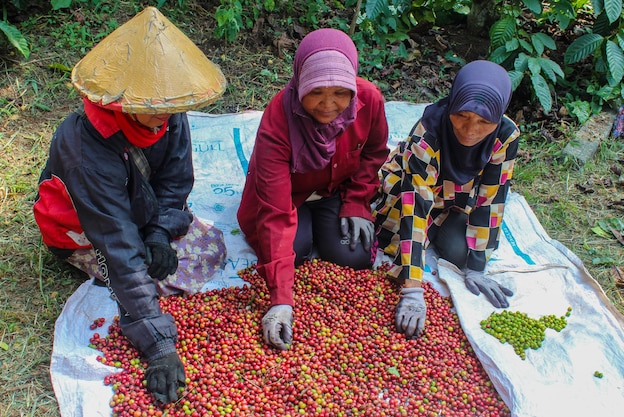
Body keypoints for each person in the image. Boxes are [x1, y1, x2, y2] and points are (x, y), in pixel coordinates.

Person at [33, 7, 228, 404]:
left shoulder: (169, 112)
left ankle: (144, 265)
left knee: (210, 249)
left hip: (138, 211)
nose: (161, 118)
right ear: (121, 100)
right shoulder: (86, 147)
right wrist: (158, 344)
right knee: (142, 271)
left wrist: (158, 234)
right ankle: (135, 297)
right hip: (85, 229)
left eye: (167, 110)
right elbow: (116, 241)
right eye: (151, 108)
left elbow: (175, 181)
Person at [237, 28, 389, 351]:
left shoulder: (370, 100)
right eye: (316, 91)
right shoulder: (278, 121)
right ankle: (305, 235)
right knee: (295, 250)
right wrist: (280, 301)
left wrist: (358, 202)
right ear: (299, 83)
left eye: (340, 92)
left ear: (353, 86)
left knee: (356, 255)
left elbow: (374, 153)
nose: (328, 104)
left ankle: (326, 224)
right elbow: (275, 211)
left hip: (335, 189)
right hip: (288, 196)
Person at [373, 60, 520, 340]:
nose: (470, 130)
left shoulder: (505, 136)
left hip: (457, 196)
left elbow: (492, 195)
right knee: (392, 239)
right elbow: (415, 202)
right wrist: (413, 288)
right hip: (409, 188)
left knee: (459, 254)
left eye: (484, 122)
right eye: (462, 116)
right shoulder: (429, 131)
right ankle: (429, 233)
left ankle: (440, 226)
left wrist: (477, 267)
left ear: (498, 118)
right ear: (452, 104)